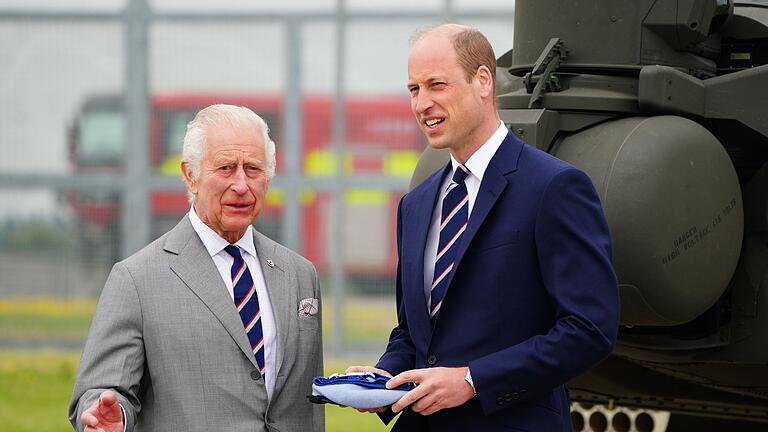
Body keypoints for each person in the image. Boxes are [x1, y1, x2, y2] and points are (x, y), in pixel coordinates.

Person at [346, 24, 619, 431]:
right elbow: (414, 333)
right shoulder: (415, 205)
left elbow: (589, 328)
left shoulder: (554, 187)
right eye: (414, 90)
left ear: (484, 81)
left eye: (436, 85)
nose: (423, 104)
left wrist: (473, 381)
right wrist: (383, 379)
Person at [69, 104, 324, 432]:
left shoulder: (300, 275)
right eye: (226, 168)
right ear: (191, 174)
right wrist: (108, 415)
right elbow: (102, 391)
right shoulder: (137, 279)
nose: (242, 185)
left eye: (253, 169)